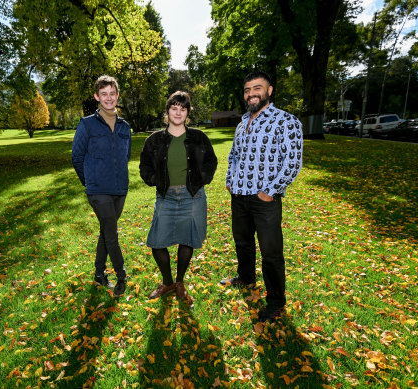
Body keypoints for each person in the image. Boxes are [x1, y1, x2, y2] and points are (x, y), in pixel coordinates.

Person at [220, 71, 303, 322]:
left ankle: (276, 301)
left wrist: (270, 192)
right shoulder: (241, 122)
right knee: (243, 243)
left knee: (271, 253)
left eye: (257, 88)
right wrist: (230, 181)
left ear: (269, 90)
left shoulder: (285, 121)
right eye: (247, 90)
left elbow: (293, 162)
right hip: (239, 196)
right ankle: (246, 278)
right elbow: (233, 156)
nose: (251, 93)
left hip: (264, 199)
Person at [139, 91, 218, 304]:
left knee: (187, 239)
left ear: (187, 112)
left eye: (182, 108)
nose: (178, 112)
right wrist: (155, 179)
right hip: (166, 196)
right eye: (174, 108)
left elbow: (211, 161)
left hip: (192, 196)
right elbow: (144, 165)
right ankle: (168, 282)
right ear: (167, 111)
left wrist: (202, 178)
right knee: (157, 242)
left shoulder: (198, 137)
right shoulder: (154, 140)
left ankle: (180, 282)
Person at [71, 75, 131, 297]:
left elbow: (126, 157)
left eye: (112, 94)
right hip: (98, 191)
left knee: (106, 232)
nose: (108, 98)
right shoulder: (87, 124)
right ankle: (121, 276)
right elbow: (76, 157)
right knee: (112, 234)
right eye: (103, 94)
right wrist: (90, 183)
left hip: (120, 190)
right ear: (97, 97)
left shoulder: (125, 127)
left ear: (117, 96)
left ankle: (98, 274)